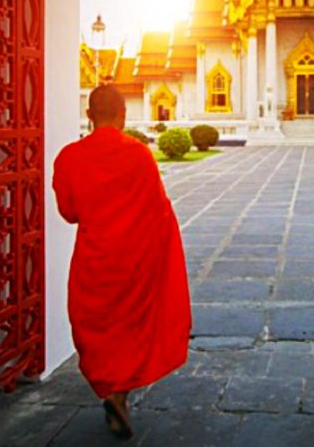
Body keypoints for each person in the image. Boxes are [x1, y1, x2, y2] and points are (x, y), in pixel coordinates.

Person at [52, 85, 192, 439]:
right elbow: (158, 209)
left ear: (89, 115)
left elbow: (68, 212)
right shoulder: (139, 155)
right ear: (123, 116)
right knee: (131, 328)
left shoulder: (69, 157)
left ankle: (113, 393)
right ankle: (119, 396)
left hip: (93, 260)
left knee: (96, 327)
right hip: (134, 260)